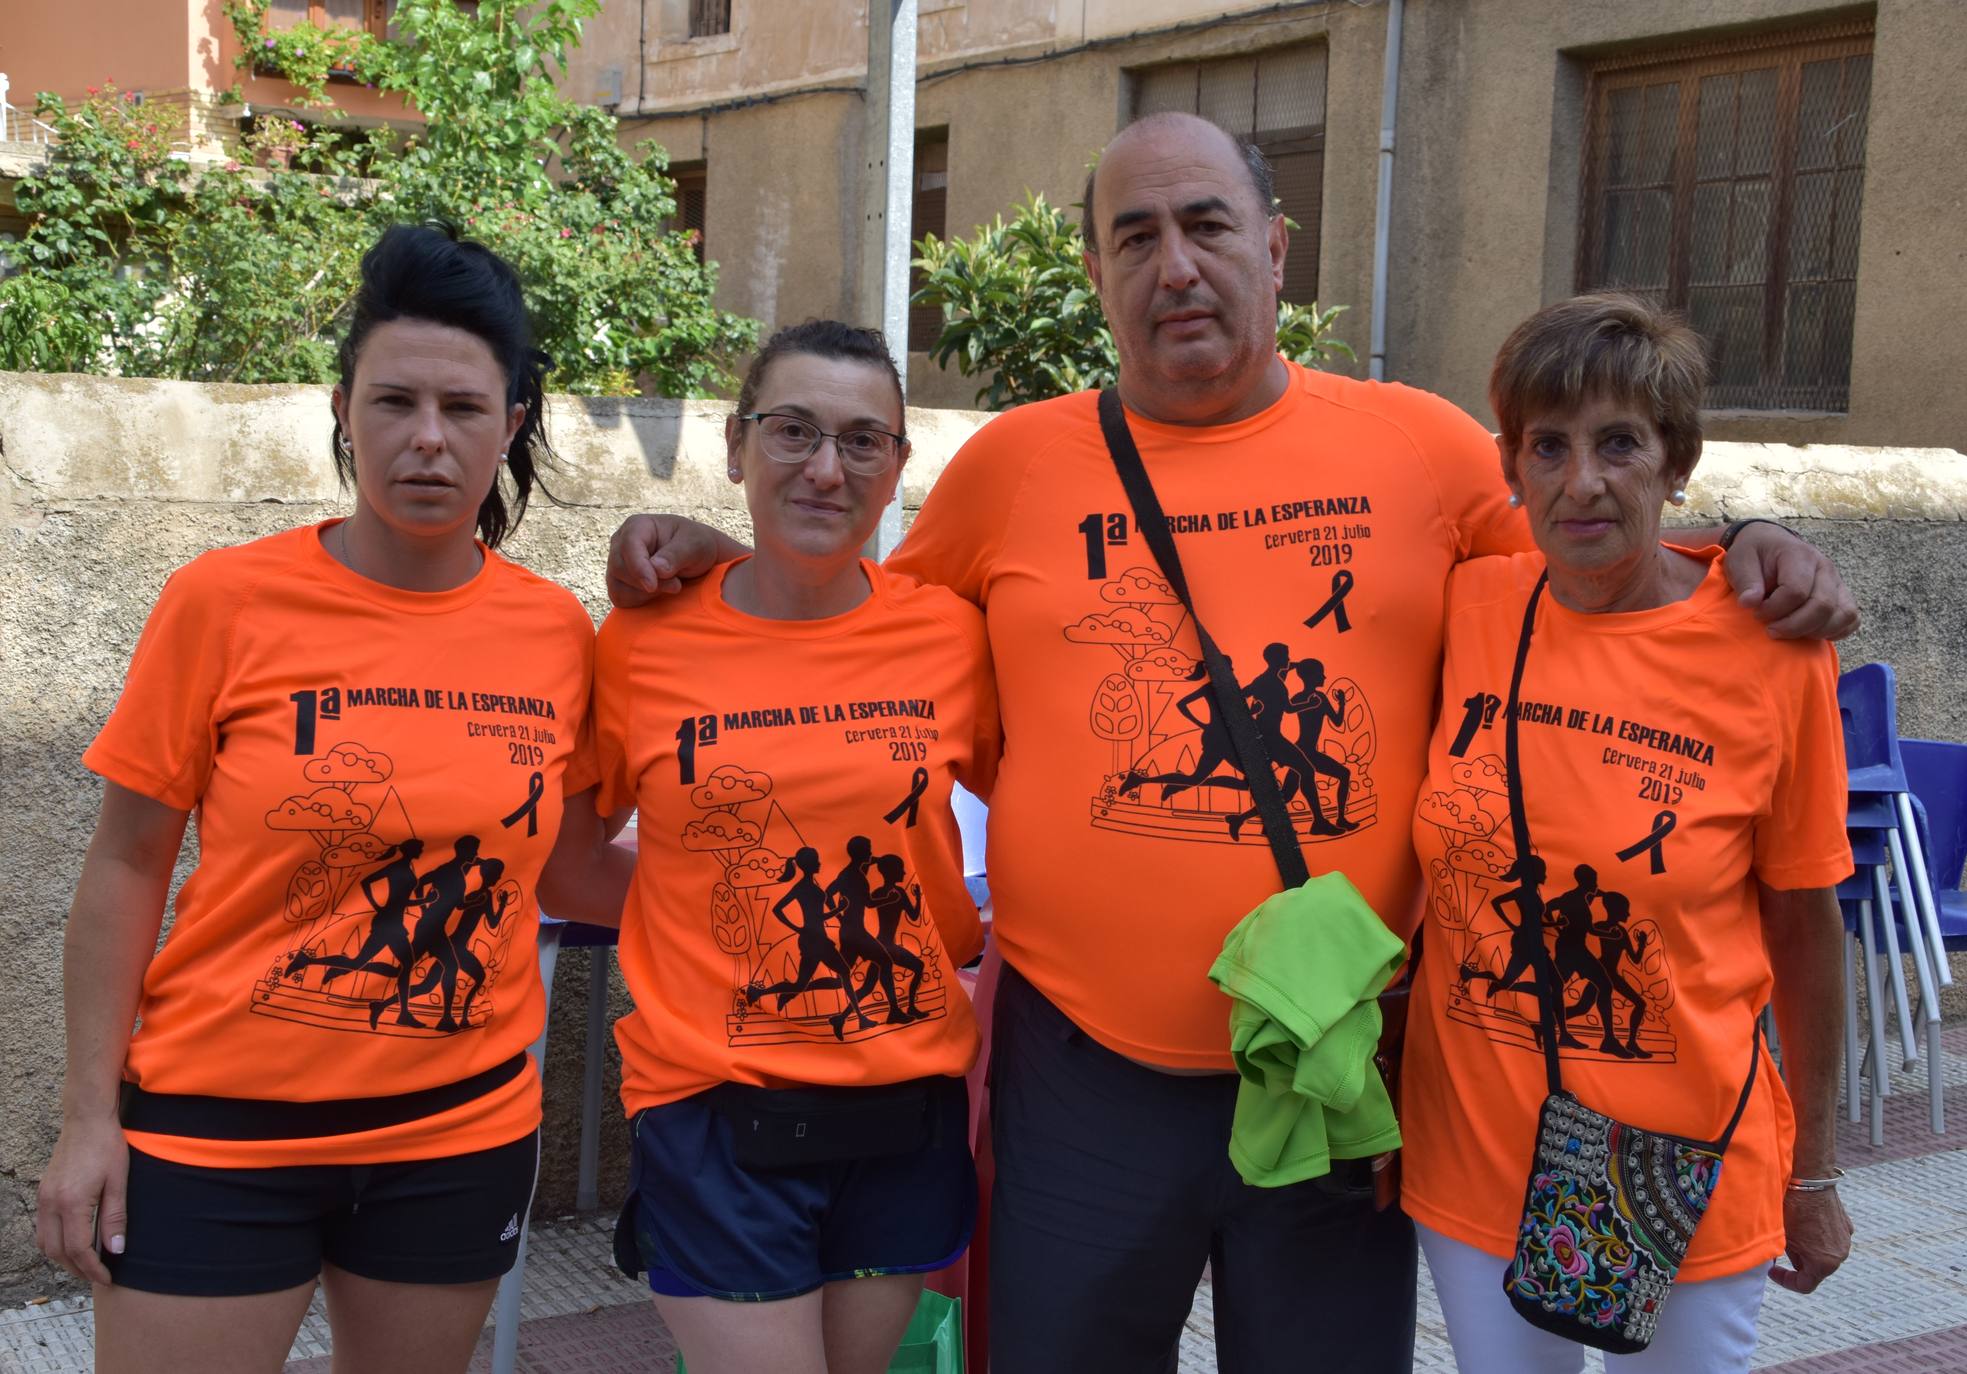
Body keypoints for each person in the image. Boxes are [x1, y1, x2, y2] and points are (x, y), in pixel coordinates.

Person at [603, 113, 1859, 1373]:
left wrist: (1743, 538)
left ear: (1275, 245)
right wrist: (722, 562)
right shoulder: (1011, 466)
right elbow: (856, 622)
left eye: (1206, 226)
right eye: (1133, 237)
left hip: (1334, 1064)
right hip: (1082, 1076)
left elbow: (1594, 547)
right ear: (1096, 274)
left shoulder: (1415, 446)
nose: (1176, 266)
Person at [33, 224, 629, 1374]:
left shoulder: (556, 633)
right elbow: (123, 866)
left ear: (511, 426)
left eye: (463, 409)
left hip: (455, 1138)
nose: (425, 439)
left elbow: (562, 867)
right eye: (393, 401)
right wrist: (87, 1118)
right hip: (214, 1131)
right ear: (344, 411)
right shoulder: (223, 603)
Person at [1403, 294, 1853, 1372]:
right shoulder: (1471, 604)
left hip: (1678, 1162)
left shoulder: (1769, 651)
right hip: (1478, 1153)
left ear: (1676, 460)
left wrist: (1819, 1174)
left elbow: (1805, 923)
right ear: (1510, 465)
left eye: (1620, 444)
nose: (1582, 481)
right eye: (1547, 446)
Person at [590, 320, 1000, 1374]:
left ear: (900, 466)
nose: (827, 466)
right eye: (793, 431)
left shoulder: (953, 636)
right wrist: (707, 916)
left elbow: (1034, 810)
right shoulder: (639, 642)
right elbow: (562, 862)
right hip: (718, 1111)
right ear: (735, 447)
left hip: (904, 1109)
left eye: (864, 441)